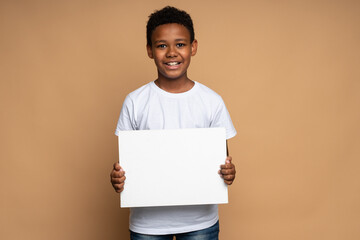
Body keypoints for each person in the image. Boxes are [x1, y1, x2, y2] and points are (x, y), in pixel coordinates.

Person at [110, 6, 237, 240]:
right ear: (150, 50)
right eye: (161, 46)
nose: (171, 53)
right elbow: (126, 163)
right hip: (148, 225)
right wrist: (118, 177)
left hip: (201, 222)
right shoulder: (135, 102)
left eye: (180, 44)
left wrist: (229, 172)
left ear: (193, 47)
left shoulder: (212, 101)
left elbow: (223, 160)